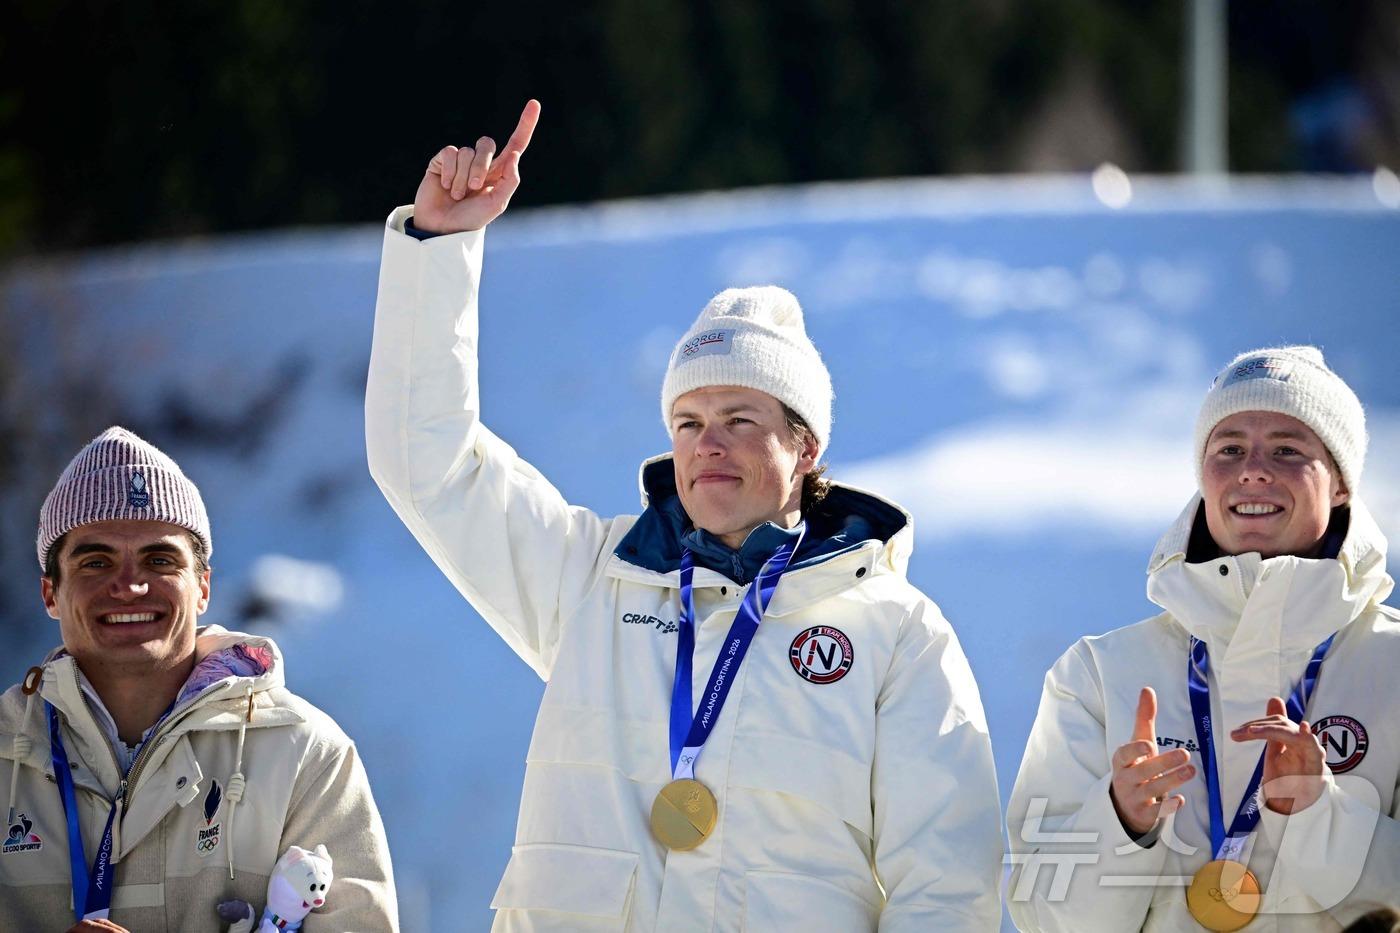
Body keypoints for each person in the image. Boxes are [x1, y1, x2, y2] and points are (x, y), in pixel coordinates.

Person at [365, 100, 1003, 931]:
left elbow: (947, 884)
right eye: (689, 423)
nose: (709, 446)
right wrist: (438, 250)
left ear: (806, 449)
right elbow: (427, 463)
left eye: (742, 420)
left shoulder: (896, 632)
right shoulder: (589, 579)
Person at [1007, 346, 1400, 932]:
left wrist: (1318, 815)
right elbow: (1042, 916)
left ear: (1342, 484)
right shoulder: (1098, 673)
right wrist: (1120, 820)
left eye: (1288, 450)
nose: (1253, 470)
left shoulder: (1390, 665)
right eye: (1230, 449)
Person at [0, 427, 398, 932]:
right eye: (96, 561)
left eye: (159, 559)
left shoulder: (305, 755)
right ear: (50, 593)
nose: (130, 585)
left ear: (203, 587)